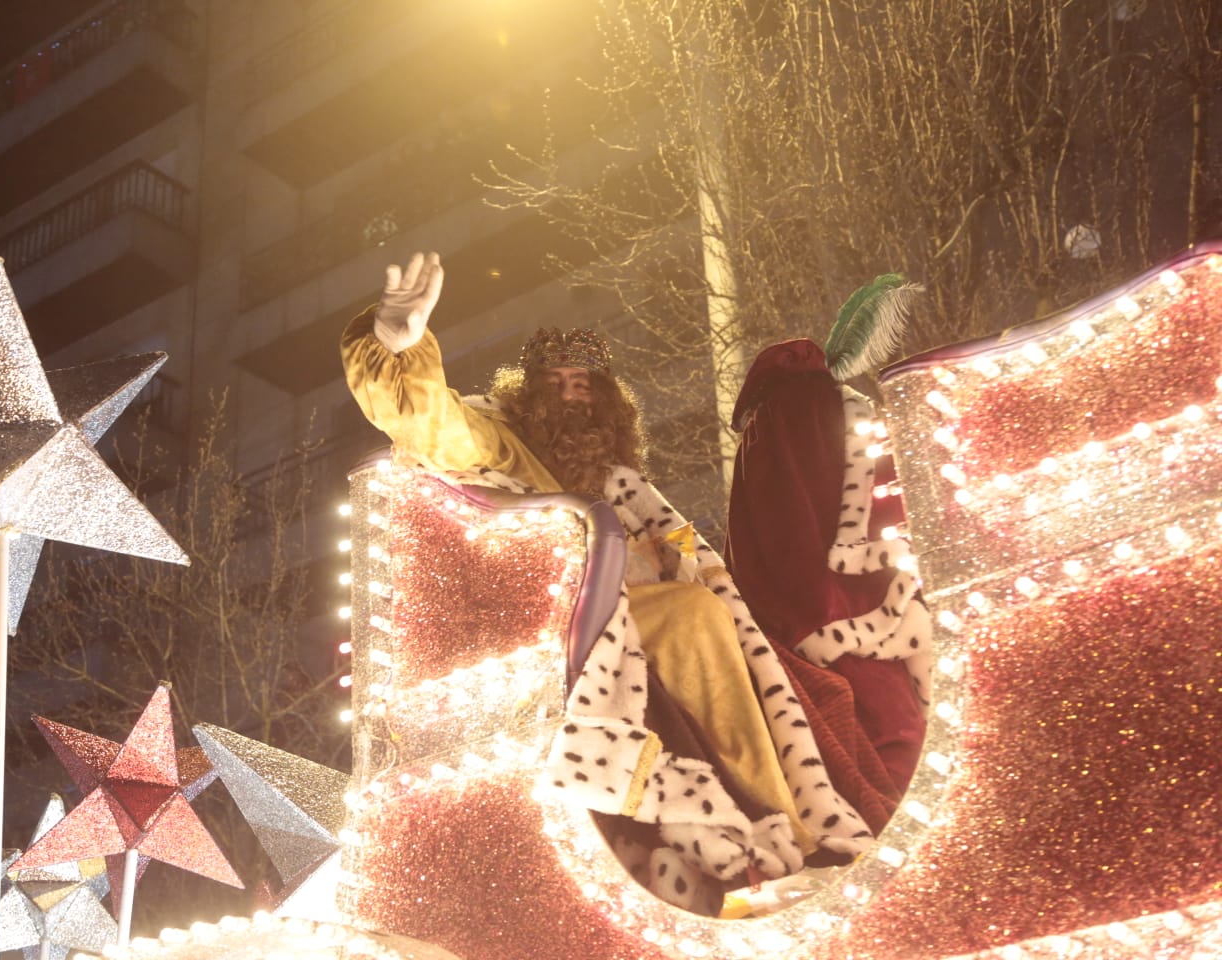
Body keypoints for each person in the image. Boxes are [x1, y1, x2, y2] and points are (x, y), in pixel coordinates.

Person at [342, 252, 875, 913]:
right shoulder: (506, 440)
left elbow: (682, 552)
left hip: (633, 615)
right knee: (694, 618)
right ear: (528, 396)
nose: (573, 390)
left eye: (585, 383)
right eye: (557, 381)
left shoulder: (620, 479)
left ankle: (790, 809)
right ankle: (782, 824)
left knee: (796, 662)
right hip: (559, 625)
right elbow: (431, 425)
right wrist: (397, 345)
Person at [725, 278, 932, 833]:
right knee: (897, 739)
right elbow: (799, 529)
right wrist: (833, 606)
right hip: (840, 619)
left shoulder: (770, 431)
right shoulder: (802, 418)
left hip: (829, 618)